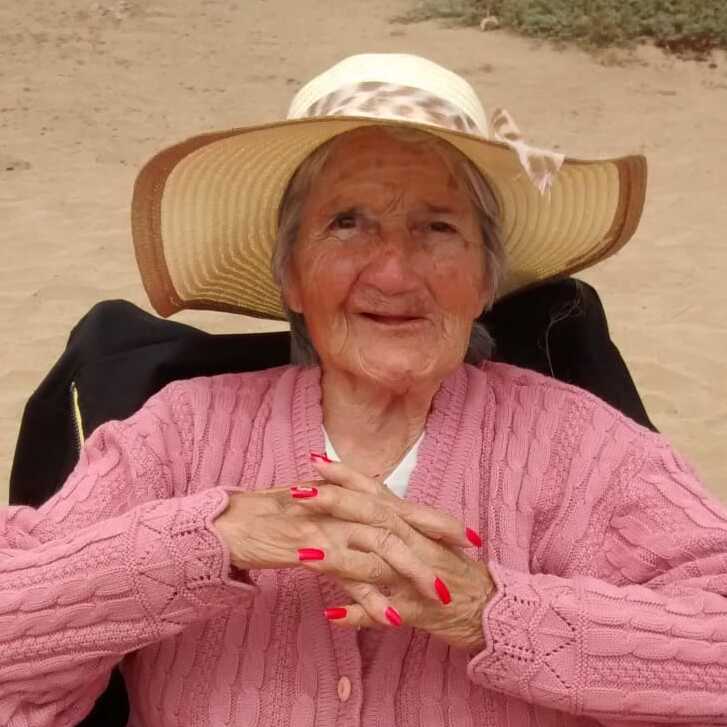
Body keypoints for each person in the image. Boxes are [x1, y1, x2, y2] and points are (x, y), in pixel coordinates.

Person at [2, 53, 726, 727]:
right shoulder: (180, 432)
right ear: (290, 276)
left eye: (436, 227)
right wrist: (207, 543)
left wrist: (490, 611)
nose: (392, 272)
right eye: (346, 224)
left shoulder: (577, 445)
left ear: (485, 280)